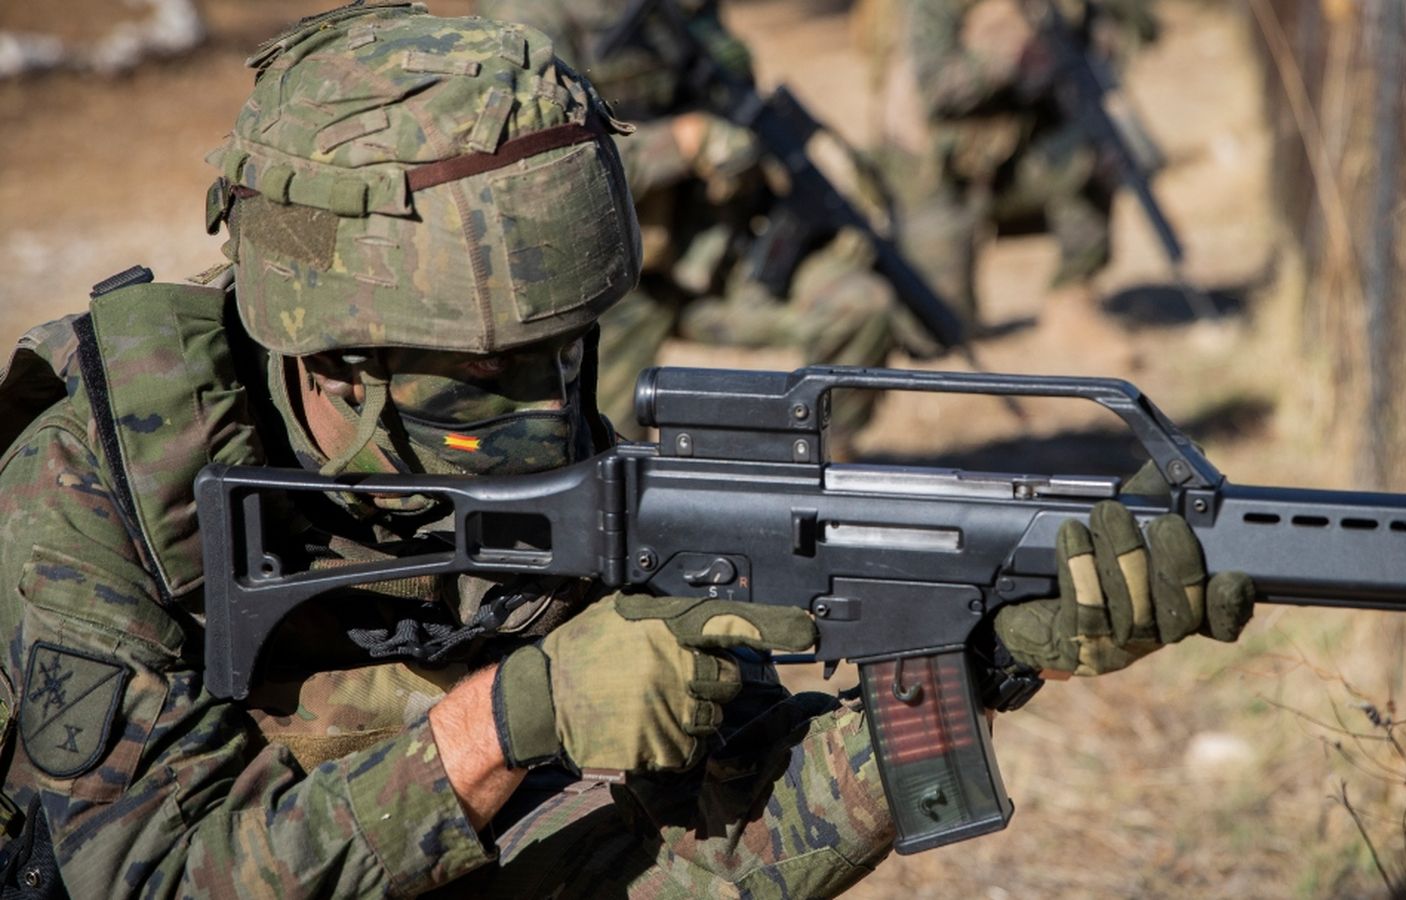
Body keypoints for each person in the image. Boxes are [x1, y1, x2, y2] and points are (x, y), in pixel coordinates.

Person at [0, 3, 1253, 896]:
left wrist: (981, 656)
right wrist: (500, 726)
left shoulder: (539, 463)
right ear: (333, 354)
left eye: (561, 355)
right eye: (483, 377)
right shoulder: (95, 491)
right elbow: (144, 874)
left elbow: (727, 847)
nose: (542, 412)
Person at [477, 0, 907, 443]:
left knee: (860, 307)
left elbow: (735, 96)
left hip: (720, 254)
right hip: (609, 281)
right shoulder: (530, 15)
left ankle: (817, 469)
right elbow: (532, 161)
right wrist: (681, 143)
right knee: (598, 456)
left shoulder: (678, 10)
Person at [868, 0, 1155, 317]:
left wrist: (1095, 44)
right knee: (939, 325)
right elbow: (935, 92)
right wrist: (1008, 58)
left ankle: (1072, 295)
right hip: (940, 172)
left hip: (1018, 155)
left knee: (1097, 148)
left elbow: (1135, 29)